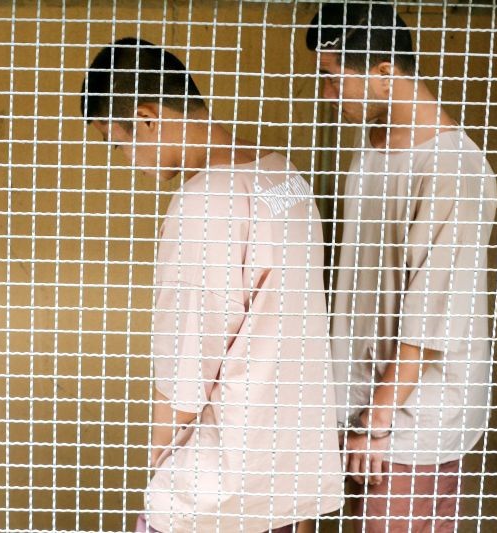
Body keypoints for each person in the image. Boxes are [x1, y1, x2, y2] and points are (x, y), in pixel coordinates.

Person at [82, 38, 343, 532]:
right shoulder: (284, 175)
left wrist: (159, 473)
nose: (125, 160)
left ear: (147, 118)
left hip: (223, 482)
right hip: (295, 474)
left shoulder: (202, 202)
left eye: (117, 142)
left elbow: (185, 365)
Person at [306, 3, 497, 532]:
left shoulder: (452, 170)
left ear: (385, 74)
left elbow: (435, 309)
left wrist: (380, 419)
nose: (326, 94)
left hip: (412, 417)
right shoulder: (371, 150)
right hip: (360, 400)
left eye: (332, 78)